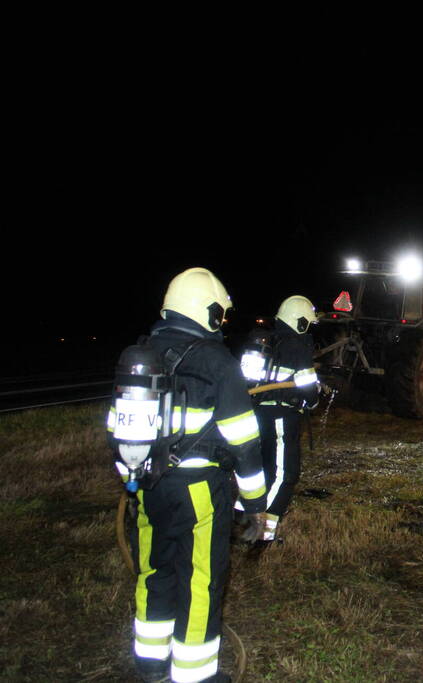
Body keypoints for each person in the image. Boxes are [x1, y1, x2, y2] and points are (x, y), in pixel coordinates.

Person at [109, 267, 266, 683]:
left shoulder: (141, 355)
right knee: (200, 580)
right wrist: (255, 505)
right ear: (209, 311)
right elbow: (244, 442)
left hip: (148, 486)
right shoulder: (216, 361)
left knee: (156, 571)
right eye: (221, 314)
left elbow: (117, 428)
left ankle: (150, 661)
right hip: (197, 492)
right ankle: (194, 674)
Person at [243, 295, 319, 545]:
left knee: (264, 469)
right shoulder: (297, 345)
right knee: (286, 473)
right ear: (300, 322)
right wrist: (315, 398)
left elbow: (246, 379)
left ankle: (242, 519)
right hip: (281, 416)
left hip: (257, 415)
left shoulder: (265, 341)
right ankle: (264, 531)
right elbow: (308, 388)